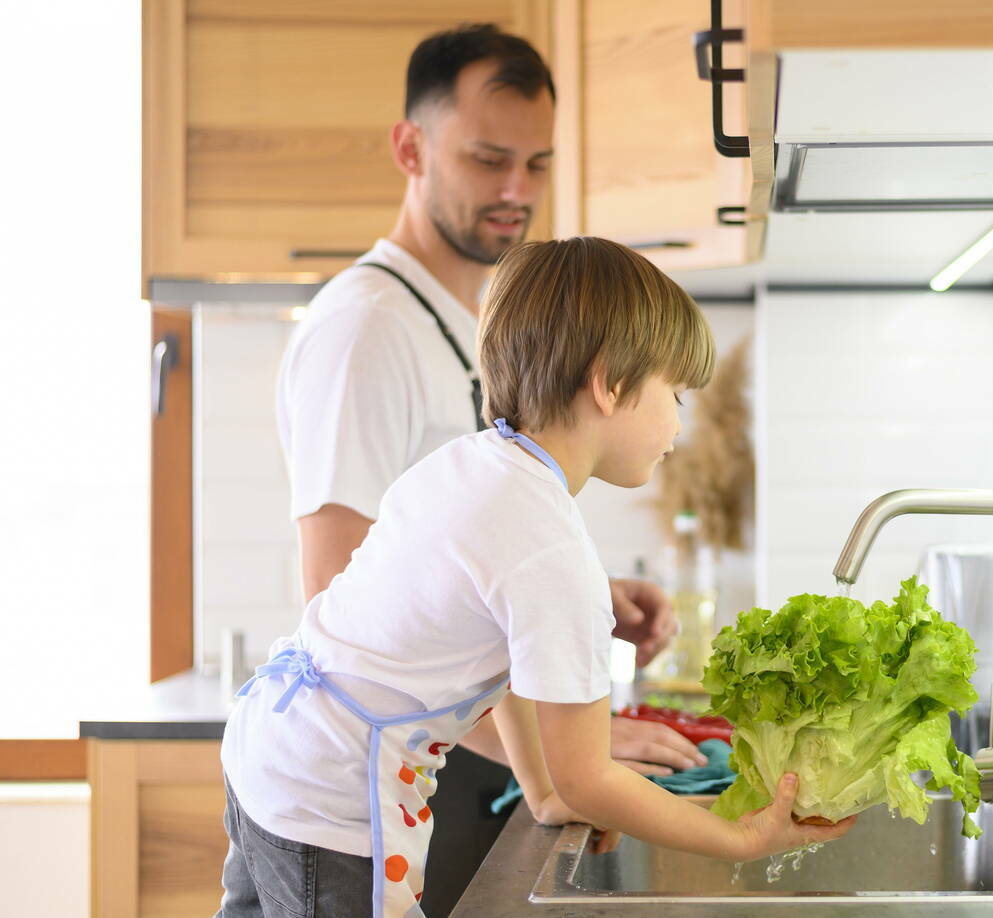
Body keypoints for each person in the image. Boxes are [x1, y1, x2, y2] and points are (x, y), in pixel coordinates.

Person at [220, 237, 855, 918]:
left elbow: (510, 666)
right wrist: (740, 838)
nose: (679, 422)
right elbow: (590, 779)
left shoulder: (475, 463)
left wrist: (542, 788)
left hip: (271, 752)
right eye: (673, 392)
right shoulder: (552, 546)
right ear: (610, 383)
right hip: (336, 796)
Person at [275, 26, 704, 778]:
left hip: (446, 755)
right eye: (489, 160)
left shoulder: (463, 316)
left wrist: (582, 595)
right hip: (383, 772)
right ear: (410, 149)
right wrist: (565, 757)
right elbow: (338, 588)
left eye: (537, 164)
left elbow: (440, 563)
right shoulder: (368, 328)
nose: (517, 192)